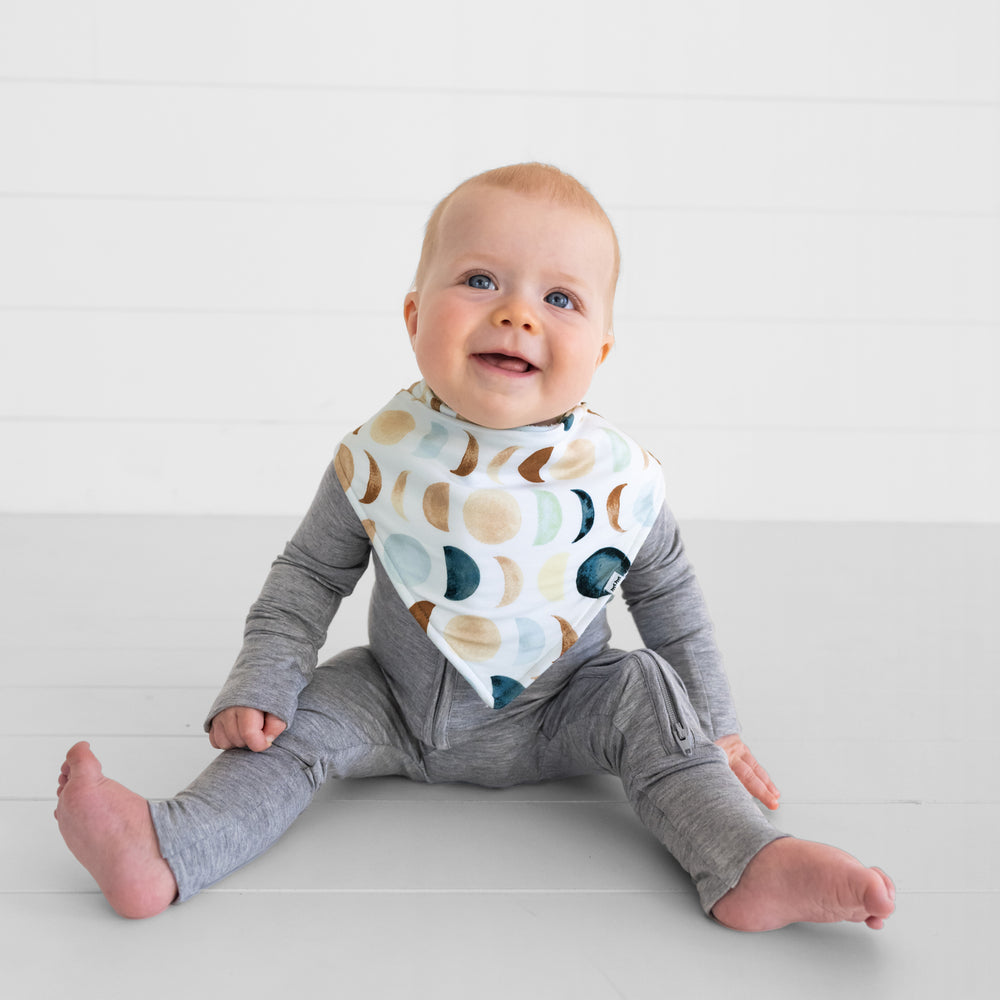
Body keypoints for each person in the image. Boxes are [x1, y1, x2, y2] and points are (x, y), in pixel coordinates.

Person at [54, 163, 895, 931]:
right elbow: (308, 576)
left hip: (566, 707)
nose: (517, 312)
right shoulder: (379, 455)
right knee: (294, 727)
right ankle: (168, 849)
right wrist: (264, 678)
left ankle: (750, 861)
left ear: (600, 350)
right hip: (391, 698)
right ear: (415, 314)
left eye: (560, 299)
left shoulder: (618, 480)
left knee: (651, 694)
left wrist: (717, 723)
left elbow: (671, 604)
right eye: (480, 280)